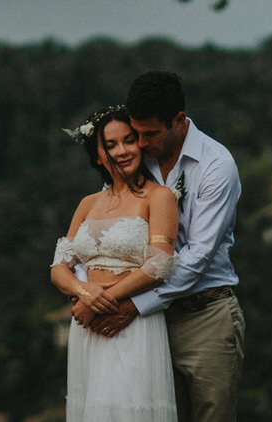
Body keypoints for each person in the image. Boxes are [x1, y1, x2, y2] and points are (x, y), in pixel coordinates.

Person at [90, 72, 244, 422]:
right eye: (136, 132)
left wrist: (133, 305)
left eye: (150, 134)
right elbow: (106, 224)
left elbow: (198, 257)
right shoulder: (137, 158)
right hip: (149, 326)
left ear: (179, 120)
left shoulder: (216, 166)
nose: (140, 143)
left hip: (205, 316)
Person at [51, 104, 180, 422]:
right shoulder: (87, 203)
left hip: (130, 324)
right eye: (111, 145)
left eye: (128, 140)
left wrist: (102, 298)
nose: (122, 150)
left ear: (140, 144)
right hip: (88, 329)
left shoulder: (158, 196)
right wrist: (84, 293)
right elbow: (58, 268)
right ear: (97, 156)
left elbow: (159, 264)